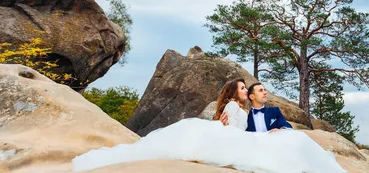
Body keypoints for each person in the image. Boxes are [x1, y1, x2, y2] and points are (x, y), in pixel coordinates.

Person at [71, 78, 346, 173]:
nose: (246, 90)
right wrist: (223, 126)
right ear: (243, 94)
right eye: (243, 87)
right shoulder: (234, 109)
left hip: (261, 137)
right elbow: (238, 131)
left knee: (291, 141)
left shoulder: (261, 110)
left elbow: (283, 127)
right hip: (243, 139)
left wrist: (280, 129)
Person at [220, 82, 292, 132]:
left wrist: (280, 131)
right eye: (261, 91)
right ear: (252, 96)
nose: (265, 92)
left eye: (265, 90)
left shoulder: (275, 111)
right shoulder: (246, 116)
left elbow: (287, 126)